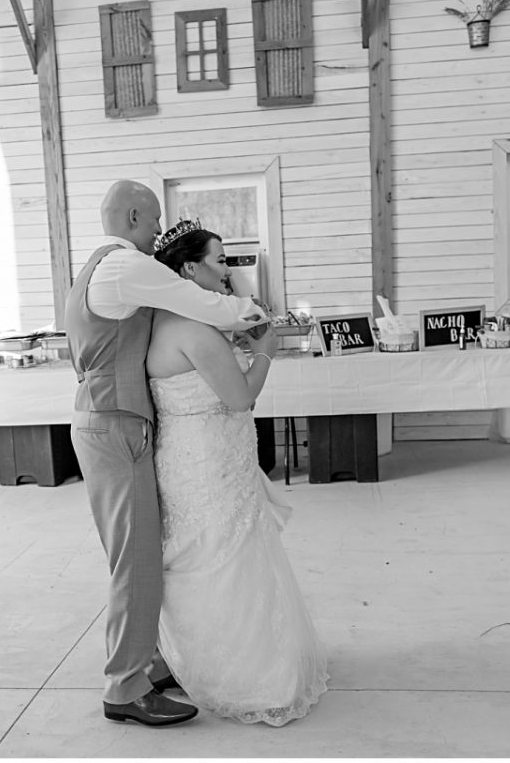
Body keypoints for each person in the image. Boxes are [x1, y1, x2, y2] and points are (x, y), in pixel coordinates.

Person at [60, 180, 265, 728]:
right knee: (136, 559)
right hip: (115, 423)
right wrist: (256, 315)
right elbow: (201, 302)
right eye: (153, 221)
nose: (158, 233)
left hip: (105, 419)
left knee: (138, 552)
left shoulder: (99, 267)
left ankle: (146, 664)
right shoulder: (127, 265)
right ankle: (125, 687)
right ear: (132, 216)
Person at [146, 222, 327, 725]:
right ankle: (247, 675)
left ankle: (201, 659)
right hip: (209, 464)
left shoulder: (165, 320)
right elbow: (240, 397)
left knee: (206, 555)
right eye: (220, 260)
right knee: (227, 556)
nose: (227, 271)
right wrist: (266, 346)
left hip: (195, 456)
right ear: (189, 268)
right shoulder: (194, 329)